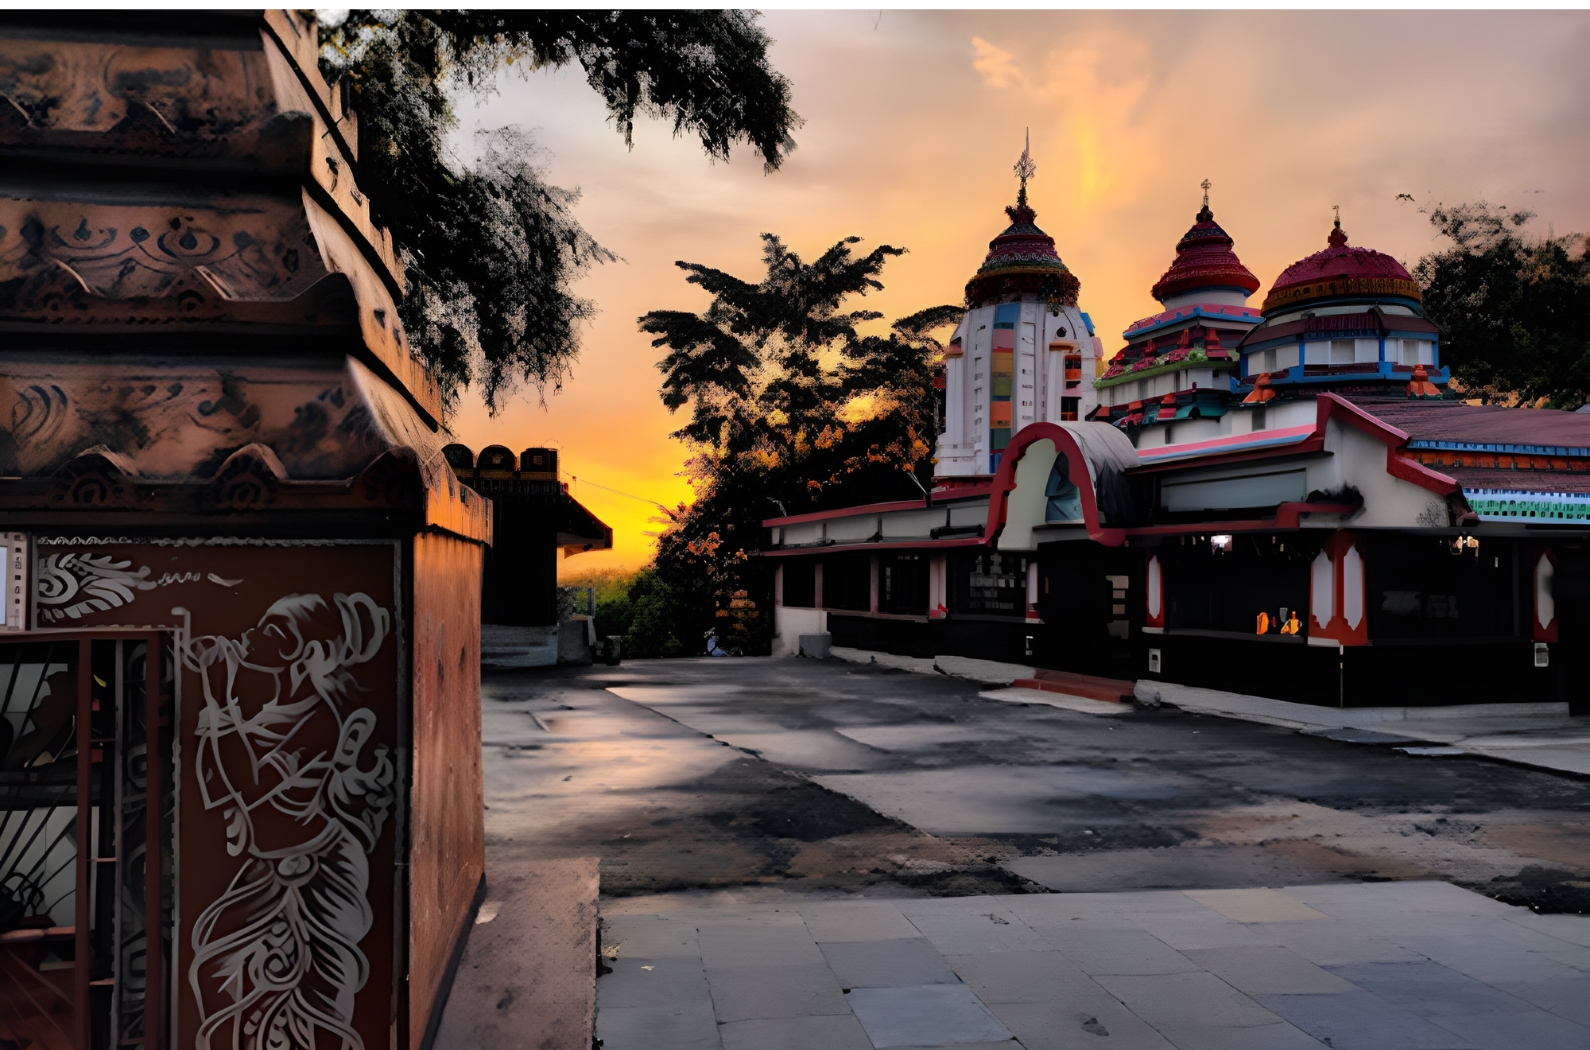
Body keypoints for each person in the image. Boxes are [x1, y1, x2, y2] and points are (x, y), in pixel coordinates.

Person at [180, 592, 393, 1050]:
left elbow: (252, 787)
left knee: (326, 992)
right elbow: (214, 784)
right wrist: (219, 703)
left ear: (309, 654)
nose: (252, 638)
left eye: (272, 633)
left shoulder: (322, 720)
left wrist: (220, 695)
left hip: (321, 864)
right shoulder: (264, 715)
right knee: (215, 969)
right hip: (266, 863)